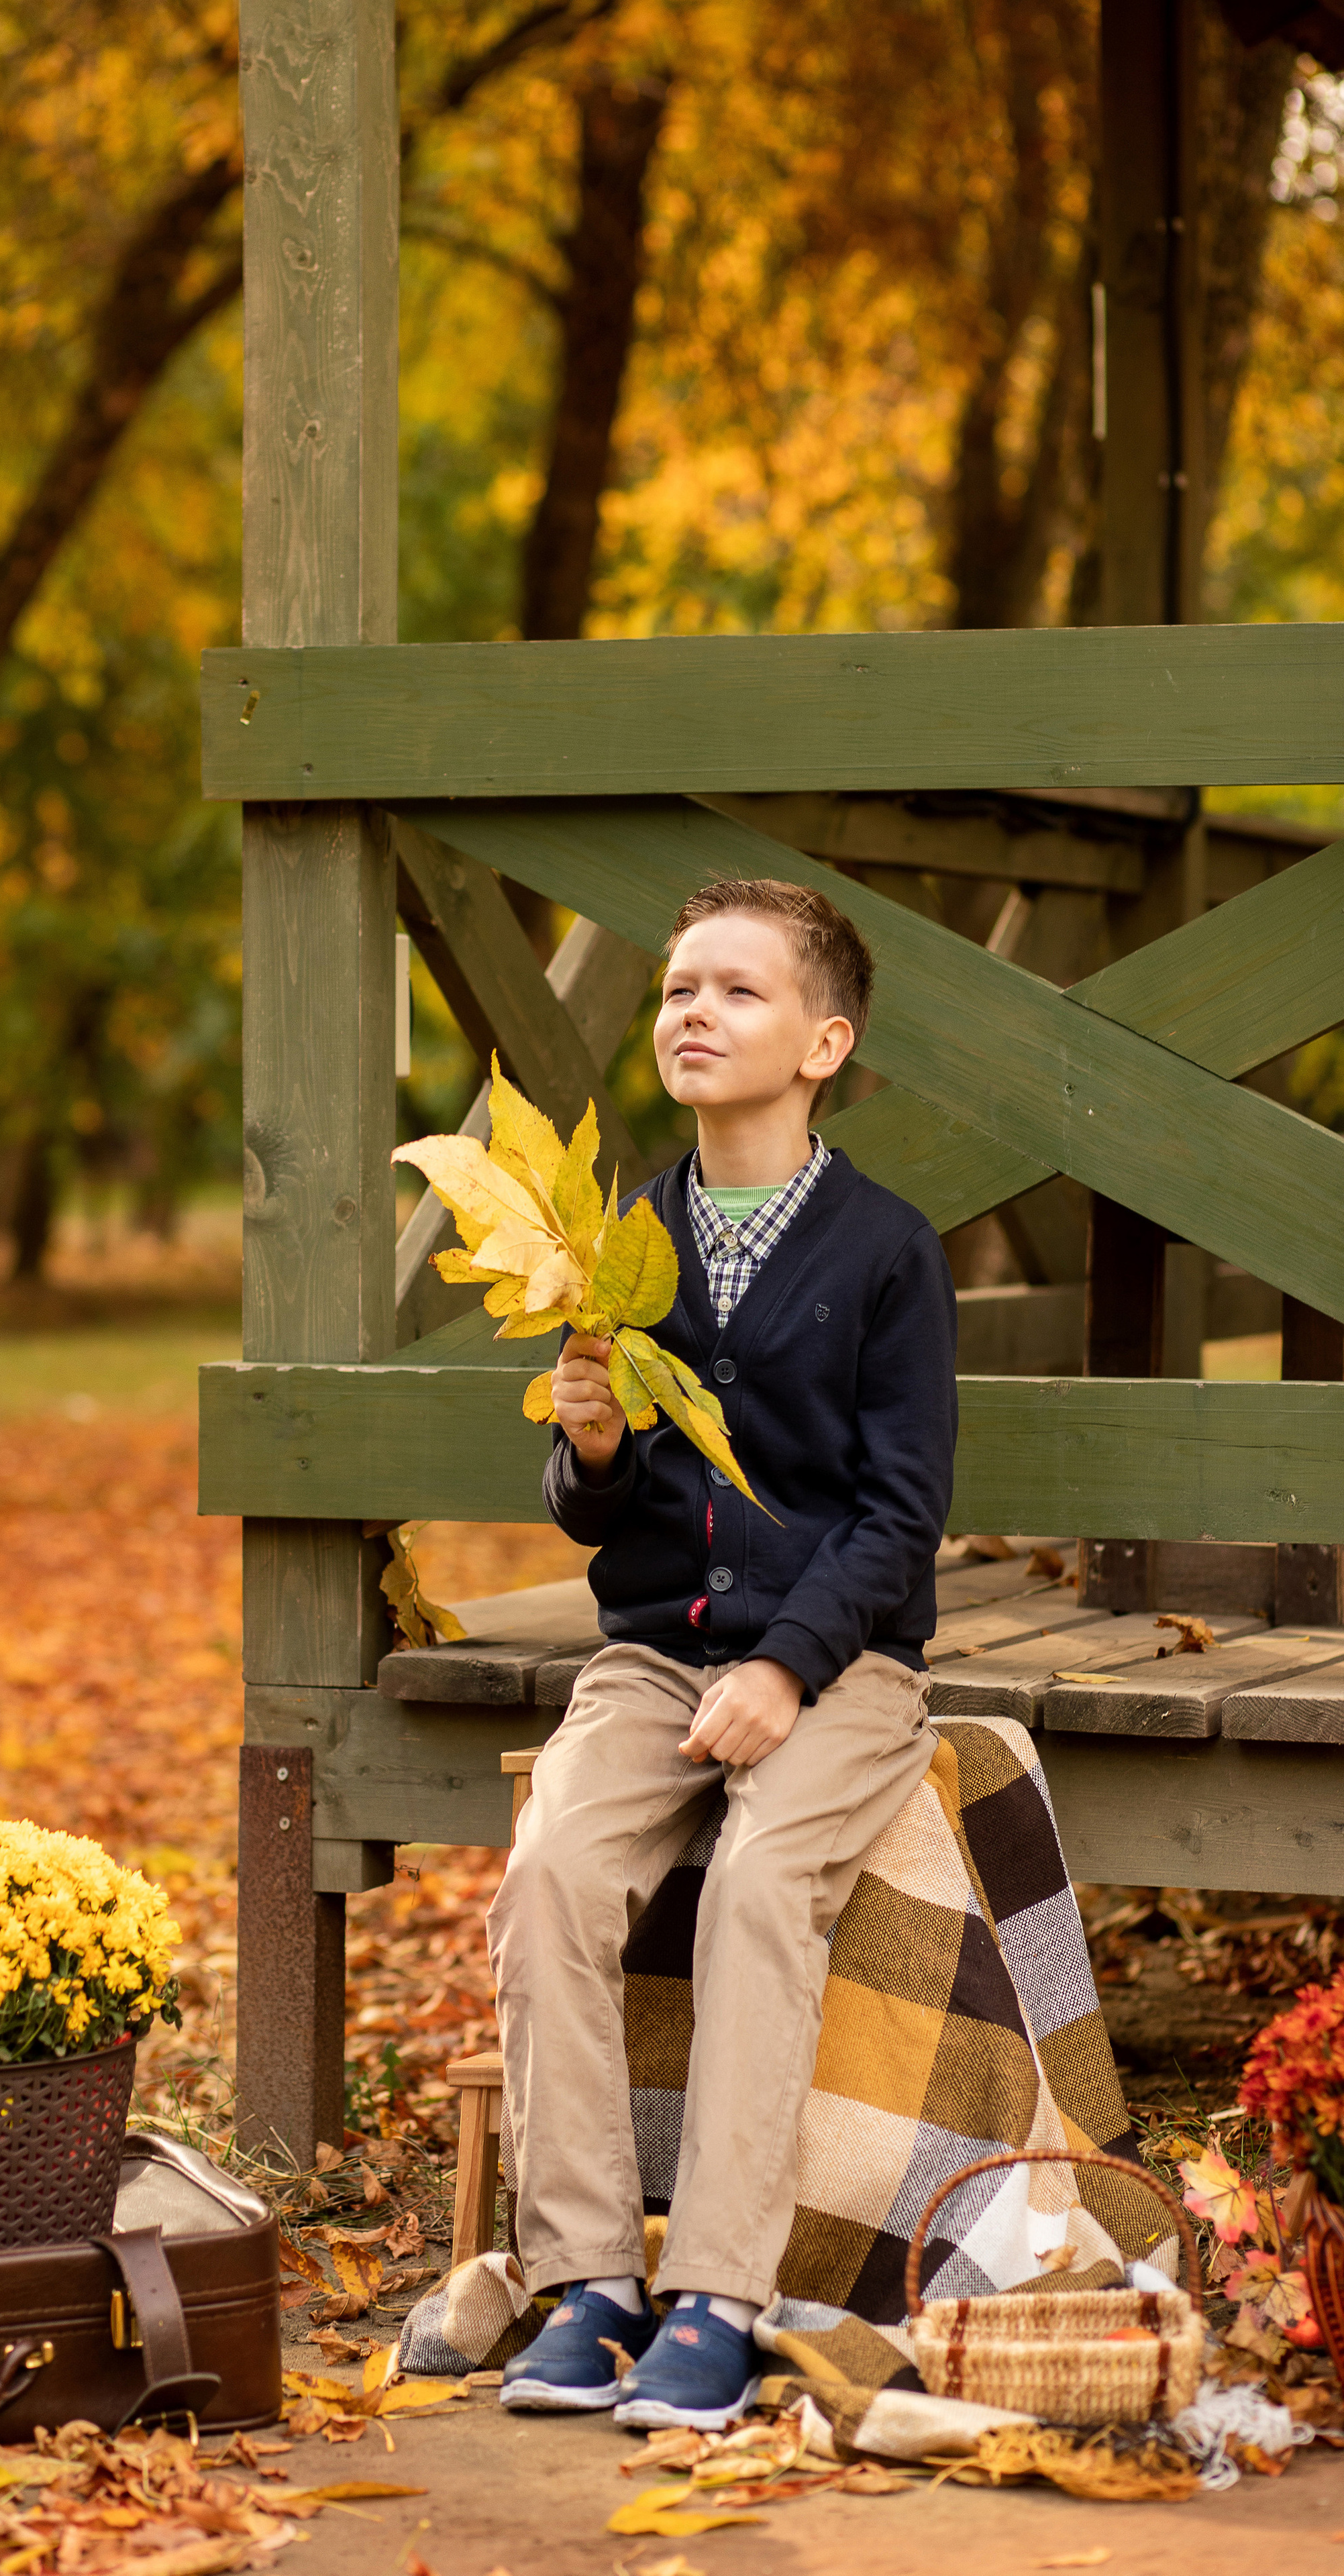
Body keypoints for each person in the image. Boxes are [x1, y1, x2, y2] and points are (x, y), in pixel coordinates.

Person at [488, 875, 958, 2432]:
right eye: (678, 984)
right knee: (553, 1870)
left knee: (760, 1884)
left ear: (823, 1041)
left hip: (842, 1666)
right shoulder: (620, 1251)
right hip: (652, 1659)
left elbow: (898, 1520)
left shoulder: (885, 1251)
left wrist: (787, 1667)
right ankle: (585, 2281)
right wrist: (595, 1452)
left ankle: (716, 2297)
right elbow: (594, 1517)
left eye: (738, 991)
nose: (691, 1007)